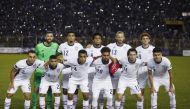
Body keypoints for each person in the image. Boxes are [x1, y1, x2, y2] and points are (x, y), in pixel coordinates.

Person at [32, 31, 59, 109]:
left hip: (50, 72)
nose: (49, 37)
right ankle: (34, 106)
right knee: (36, 89)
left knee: (49, 89)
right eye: (48, 36)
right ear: (45, 37)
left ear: (53, 38)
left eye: (51, 36)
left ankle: (48, 106)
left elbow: (58, 54)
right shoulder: (38, 46)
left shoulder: (56, 45)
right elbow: (35, 56)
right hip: (39, 71)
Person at [57, 31, 83, 109]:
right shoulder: (62, 45)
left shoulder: (79, 46)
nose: (71, 37)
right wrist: (59, 58)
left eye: (73, 36)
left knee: (75, 90)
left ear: (75, 37)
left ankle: (73, 106)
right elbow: (56, 55)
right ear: (67, 37)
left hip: (76, 69)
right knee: (65, 89)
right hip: (66, 68)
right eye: (69, 36)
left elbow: (83, 55)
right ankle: (65, 107)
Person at [107, 31, 131, 108]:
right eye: (118, 37)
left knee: (122, 91)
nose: (120, 38)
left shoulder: (128, 47)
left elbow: (132, 57)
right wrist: (112, 58)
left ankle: (121, 106)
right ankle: (112, 105)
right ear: (116, 37)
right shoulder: (110, 46)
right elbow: (103, 51)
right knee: (113, 90)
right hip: (112, 71)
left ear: (124, 38)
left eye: (121, 37)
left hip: (123, 72)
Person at [85, 33, 104, 109]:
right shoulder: (88, 49)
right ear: (93, 40)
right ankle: (90, 106)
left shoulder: (105, 48)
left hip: (101, 74)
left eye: (99, 38)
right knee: (90, 93)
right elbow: (84, 60)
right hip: (90, 74)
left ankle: (101, 107)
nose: (97, 40)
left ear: (101, 40)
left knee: (101, 93)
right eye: (96, 38)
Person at [136, 32, 155, 107]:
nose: (145, 40)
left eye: (147, 38)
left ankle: (153, 106)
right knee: (141, 91)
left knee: (152, 89)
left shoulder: (153, 48)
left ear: (149, 40)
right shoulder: (137, 49)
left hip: (151, 72)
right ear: (141, 40)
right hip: (140, 72)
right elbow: (135, 60)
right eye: (143, 39)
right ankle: (140, 106)